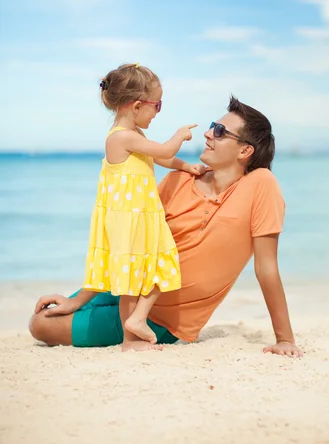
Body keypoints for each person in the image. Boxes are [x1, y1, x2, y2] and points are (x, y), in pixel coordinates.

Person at [30, 96, 303, 358]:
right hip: (126, 287)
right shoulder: (177, 180)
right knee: (44, 315)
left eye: (220, 131)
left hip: (162, 321)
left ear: (245, 150)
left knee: (41, 325)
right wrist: (80, 299)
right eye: (211, 126)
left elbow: (266, 267)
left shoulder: (261, 184)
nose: (208, 134)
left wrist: (285, 339)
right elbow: (130, 241)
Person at [80, 62, 206, 351]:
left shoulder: (134, 135)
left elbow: (161, 159)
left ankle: (133, 333)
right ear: (137, 106)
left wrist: (187, 166)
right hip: (130, 219)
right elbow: (164, 150)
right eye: (157, 105)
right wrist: (180, 135)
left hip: (141, 216)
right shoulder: (121, 137)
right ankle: (132, 333)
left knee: (141, 274)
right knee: (142, 274)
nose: (158, 111)